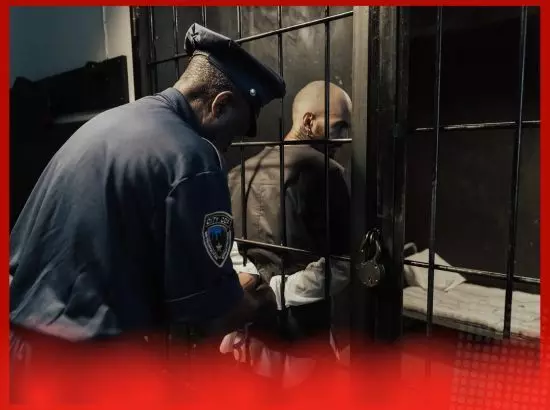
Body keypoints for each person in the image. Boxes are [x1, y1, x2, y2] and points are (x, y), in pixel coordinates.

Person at [9, 23, 285, 359]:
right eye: (235, 131)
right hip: (82, 364)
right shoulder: (191, 157)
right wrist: (261, 300)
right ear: (221, 105)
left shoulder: (107, 124)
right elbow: (211, 316)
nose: (228, 145)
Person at [227, 81, 352, 351]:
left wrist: (258, 285)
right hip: (304, 333)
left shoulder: (239, 173)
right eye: (339, 126)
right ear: (308, 121)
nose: (343, 138)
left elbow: (231, 251)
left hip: (251, 331)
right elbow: (341, 266)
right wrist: (277, 291)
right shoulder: (328, 173)